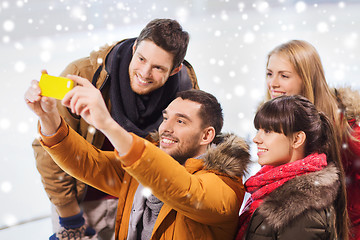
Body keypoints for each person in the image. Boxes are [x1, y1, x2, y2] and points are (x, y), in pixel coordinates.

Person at [25, 73, 251, 239]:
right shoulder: (142, 170)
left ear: (206, 135)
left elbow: (182, 188)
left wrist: (107, 124)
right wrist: (49, 118)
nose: (166, 128)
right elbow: (88, 164)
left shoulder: (224, 188)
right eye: (166, 117)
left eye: (181, 121)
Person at [31, 18, 199, 239]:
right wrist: (68, 212)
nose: (145, 72)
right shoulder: (83, 74)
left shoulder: (185, 90)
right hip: (82, 204)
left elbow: (189, 153)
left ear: (175, 69)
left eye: (158, 68)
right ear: (134, 48)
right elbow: (49, 145)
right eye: (141, 59)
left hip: (140, 204)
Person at [264, 39, 360, 239]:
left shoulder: (346, 129)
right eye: (269, 73)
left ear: (306, 78)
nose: (273, 83)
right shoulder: (273, 125)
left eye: (284, 75)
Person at [235, 95, 349, 239]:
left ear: (297, 139)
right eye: (258, 130)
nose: (256, 139)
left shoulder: (303, 210)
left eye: (268, 131)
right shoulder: (271, 187)